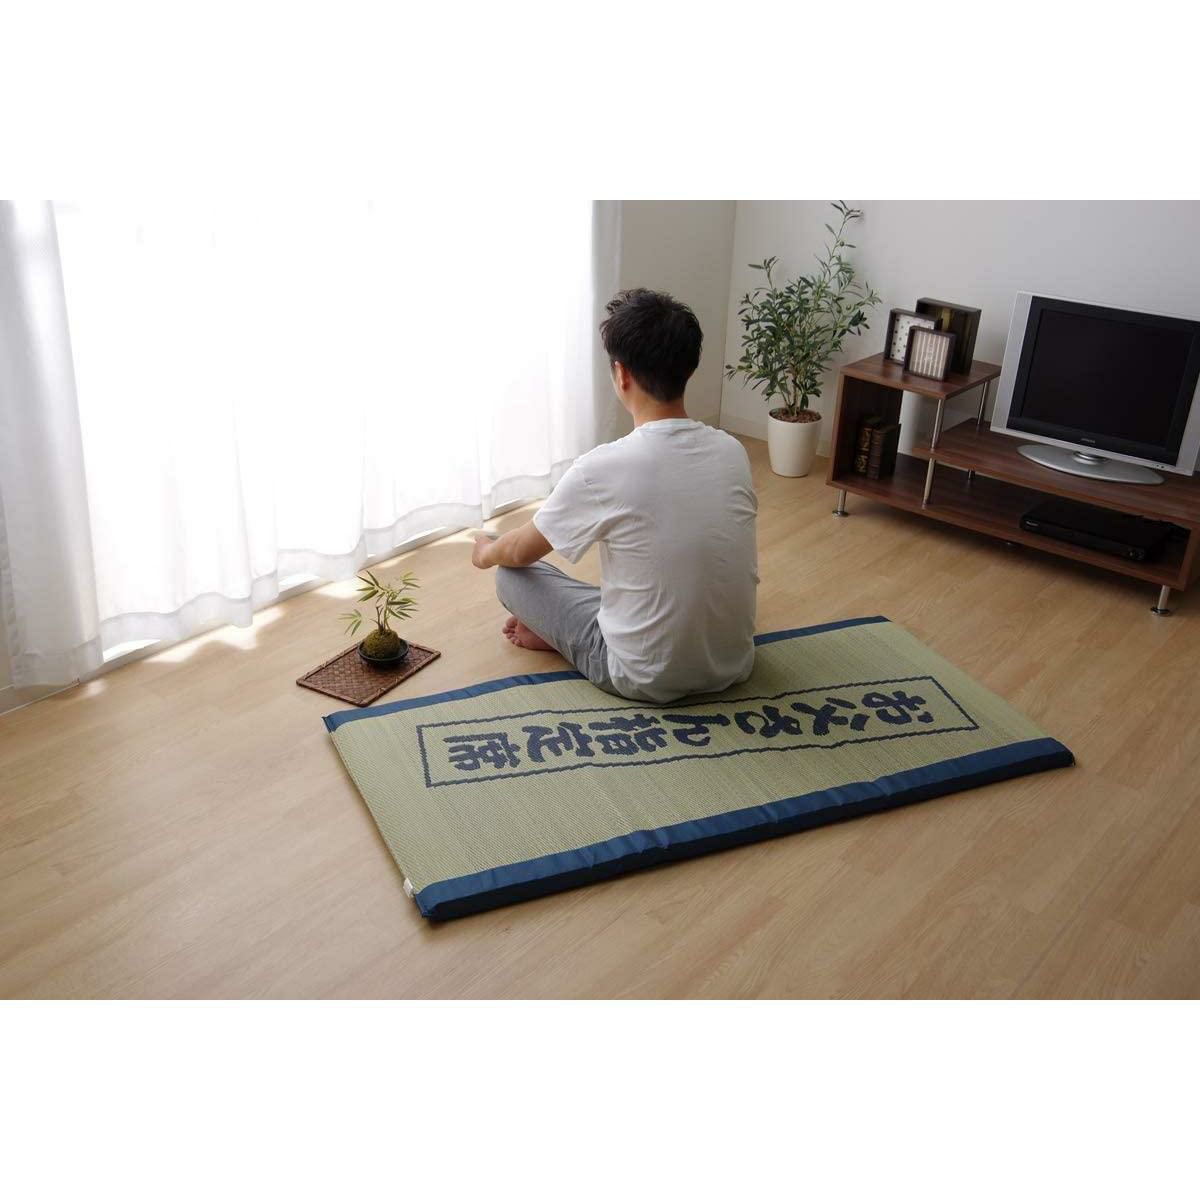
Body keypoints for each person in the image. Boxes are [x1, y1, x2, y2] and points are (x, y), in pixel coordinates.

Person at [470, 288, 758, 705]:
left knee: (510, 573)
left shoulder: (601, 468)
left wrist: (485, 552)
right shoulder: (732, 451)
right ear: (690, 370)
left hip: (639, 676)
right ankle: (565, 630)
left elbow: (519, 552)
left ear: (621, 374)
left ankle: (564, 638)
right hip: (734, 663)